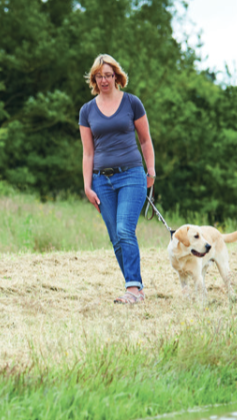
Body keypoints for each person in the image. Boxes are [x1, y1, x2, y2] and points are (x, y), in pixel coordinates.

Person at [79, 54, 156, 304]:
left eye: (108, 75)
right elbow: (88, 152)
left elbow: (145, 140)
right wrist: (87, 186)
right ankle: (135, 288)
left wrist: (151, 171)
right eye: (99, 76)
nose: (104, 80)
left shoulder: (132, 103)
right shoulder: (87, 110)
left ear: (117, 77)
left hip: (132, 175)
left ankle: (133, 289)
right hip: (102, 181)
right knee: (116, 237)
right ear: (94, 78)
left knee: (125, 229)